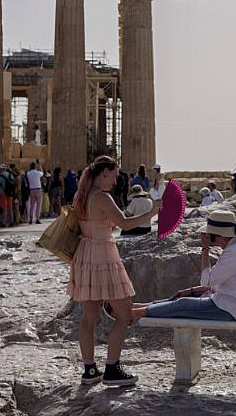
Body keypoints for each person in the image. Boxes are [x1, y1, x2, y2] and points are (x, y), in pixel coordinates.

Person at [68, 156, 162, 386]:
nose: (117, 179)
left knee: (89, 317)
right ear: (104, 173)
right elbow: (126, 224)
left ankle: (89, 370)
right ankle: (112, 368)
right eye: (114, 174)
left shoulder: (82, 195)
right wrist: (152, 212)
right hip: (103, 255)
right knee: (125, 314)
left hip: (85, 255)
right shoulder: (102, 196)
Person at [130, 210, 236, 323]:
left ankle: (132, 314)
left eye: (211, 236)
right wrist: (192, 290)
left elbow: (206, 281)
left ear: (220, 235)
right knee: (181, 297)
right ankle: (141, 307)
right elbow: (226, 281)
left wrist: (205, 249)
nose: (209, 238)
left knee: (182, 304)